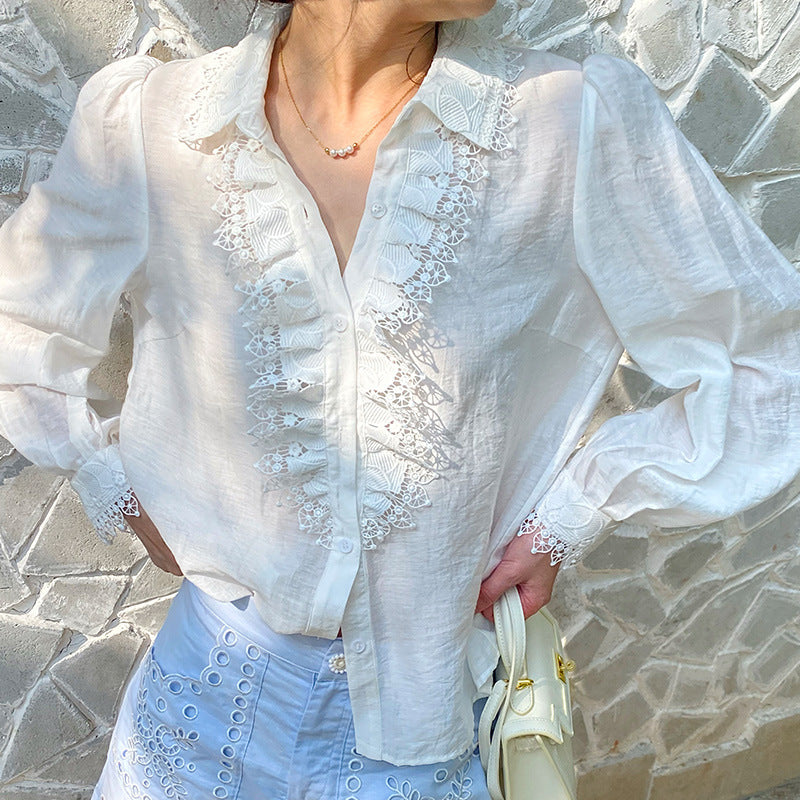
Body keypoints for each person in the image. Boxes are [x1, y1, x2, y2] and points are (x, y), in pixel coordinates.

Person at [1, 0, 800, 797]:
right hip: (194, 721)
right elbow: (19, 325)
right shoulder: (158, 124)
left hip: (420, 738)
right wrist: (113, 485)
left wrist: (575, 512)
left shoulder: (566, 124)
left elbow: (770, 359)